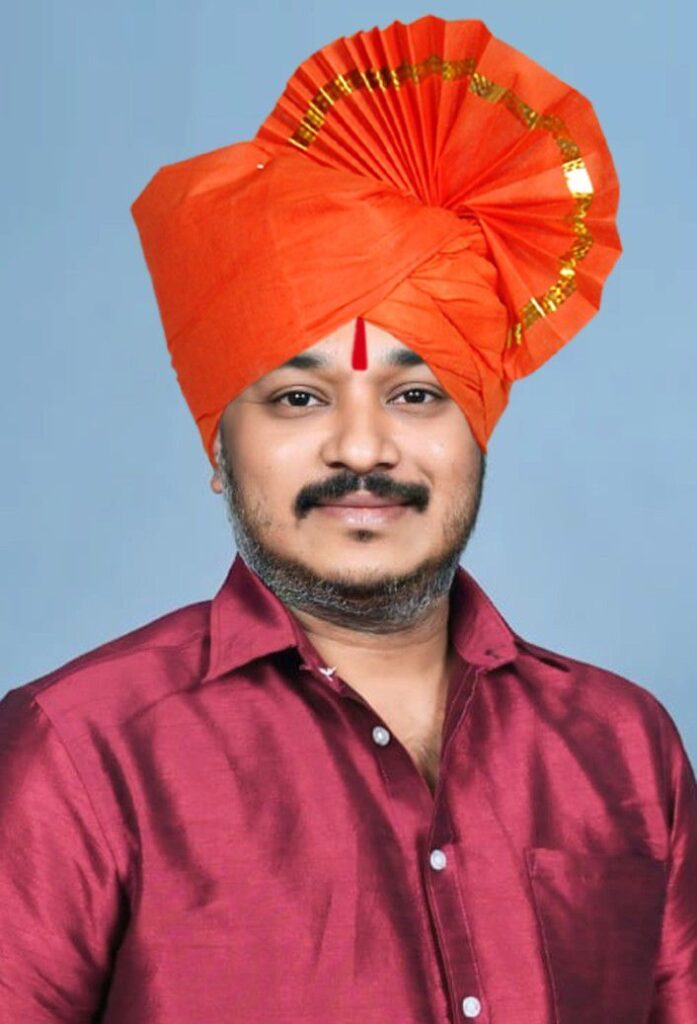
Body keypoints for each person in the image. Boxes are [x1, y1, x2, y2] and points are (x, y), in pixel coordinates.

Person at [1, 14, 695, 1024]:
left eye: (416, 395)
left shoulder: (623, 749)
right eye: (298, 397)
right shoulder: (80, 754)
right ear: (216, 449)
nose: (362, 448)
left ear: (478, 434)